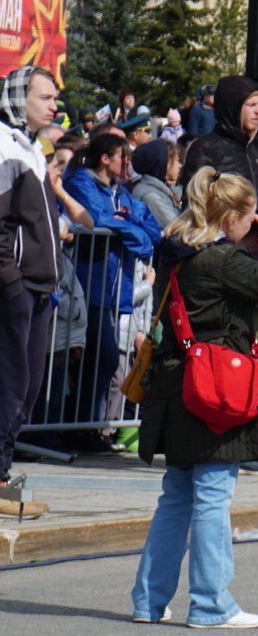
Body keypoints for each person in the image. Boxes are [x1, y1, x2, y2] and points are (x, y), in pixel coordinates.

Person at [131, 167, 258, 628]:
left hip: (175, 382)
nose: (253, 226)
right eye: (247, 218)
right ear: (230, 219)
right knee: (211, 496)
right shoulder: (223, 260)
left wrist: (252, 241)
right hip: (213, 387)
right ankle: (210, 604)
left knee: (176, 497)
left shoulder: (176, 249)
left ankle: (148, 601)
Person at [64, 131, 164, 427]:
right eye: (124, 157)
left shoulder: (121, 193)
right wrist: (130, 229)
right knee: (102, 359)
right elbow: (96, 220)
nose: (128, 163)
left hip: (112, 288)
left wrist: (127, 224)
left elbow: (153, 230)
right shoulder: (80, 184)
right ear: (106, 159)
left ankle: (88, 429)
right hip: (88, 285)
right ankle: (80, 428)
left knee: (102, 362)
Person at [0, 66, 64, 490]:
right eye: (46, 98)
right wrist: (12, 284)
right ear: (22, 99)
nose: (54, 105)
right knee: (10, 381)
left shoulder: (32, 147)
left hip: (39, 287)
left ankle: (3, 465)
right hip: (17, 287)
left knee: (29, 383)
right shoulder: (5, 147)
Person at [180, 76, 258, 203]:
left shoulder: (251, 148)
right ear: (233, 108)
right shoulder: (205, 149)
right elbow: (195, 207)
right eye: (251, 105)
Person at [129, 140, 182, 229]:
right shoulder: (150, 196)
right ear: (164, 163)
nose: (180, 166)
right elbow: (176, 227)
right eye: (177, 161)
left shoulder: (162, 188)